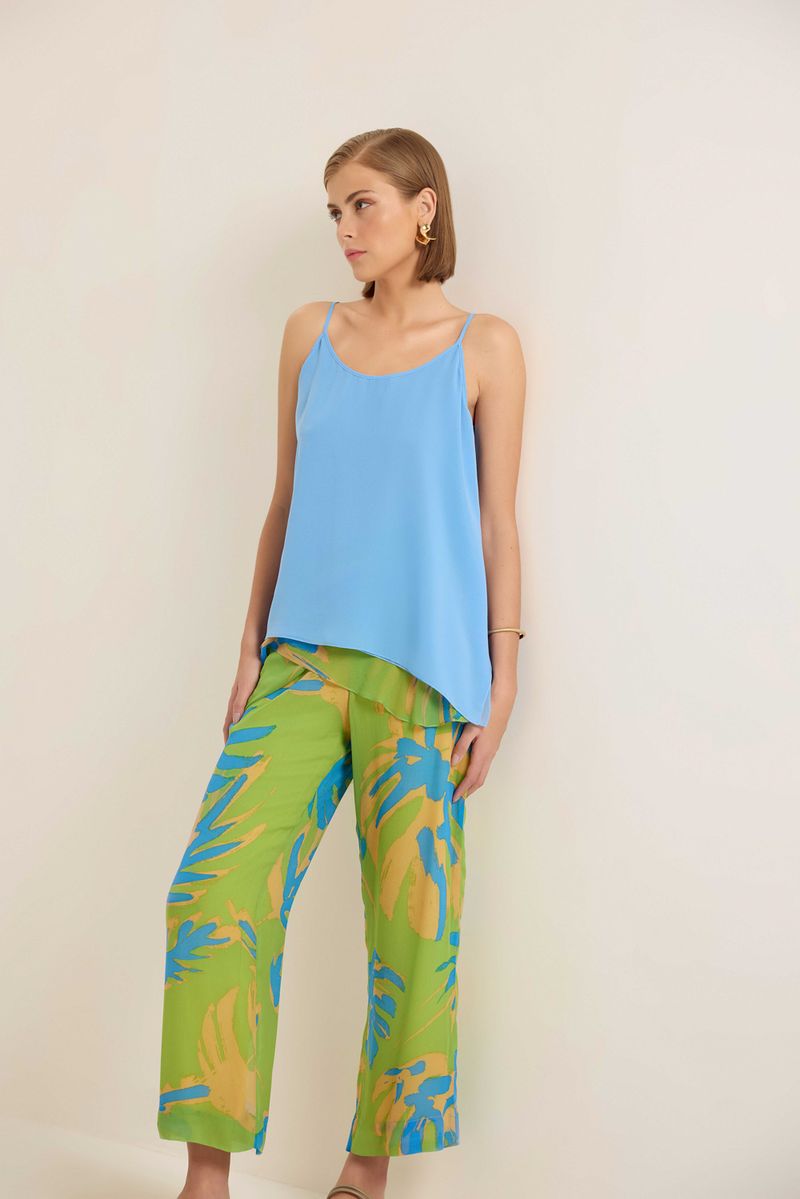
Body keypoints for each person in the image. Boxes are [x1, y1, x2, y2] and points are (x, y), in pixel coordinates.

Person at [157, 127, 526, 1199]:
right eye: (334, 211)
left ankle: (365, 1173)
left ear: (423, 208)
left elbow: (497, 525)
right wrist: (248, 648)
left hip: (427, 677)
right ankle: (206, 1178)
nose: (345, 229)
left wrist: (501, 682)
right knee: (213, 892)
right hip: (301, 663)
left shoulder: (486, 347)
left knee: (413, 931)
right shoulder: (308, 334)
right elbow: (285, 499)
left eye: (362, 204)